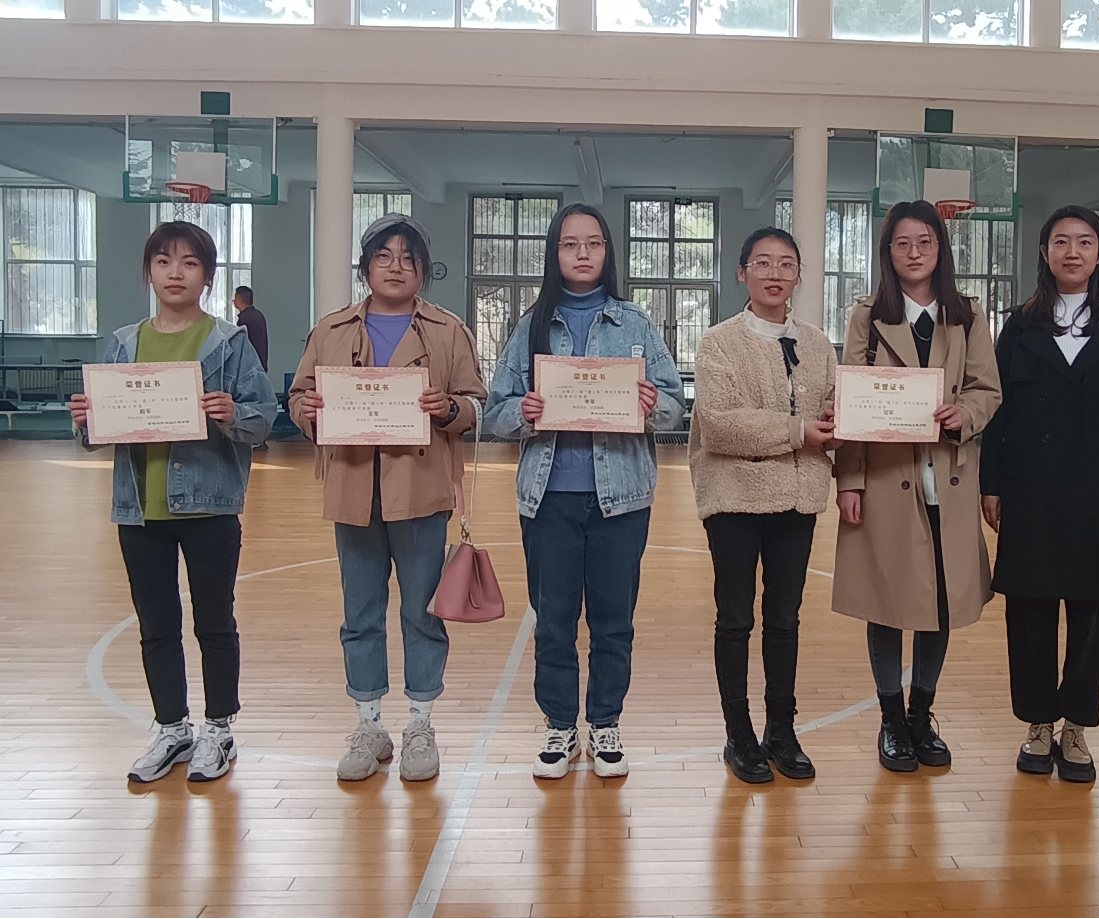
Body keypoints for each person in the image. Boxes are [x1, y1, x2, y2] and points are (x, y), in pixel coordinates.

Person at [69, 221, 276, 784]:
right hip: (139, 508)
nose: (175, 273)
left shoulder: (228, 342)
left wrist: (234, 414)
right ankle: (171, 727)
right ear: (149, 272)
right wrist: (86, 421)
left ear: (208, 276)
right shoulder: (123, 342)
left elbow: (263, 418)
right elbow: (98, 432)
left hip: (210, 505)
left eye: (189, 262)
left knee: (214, 623)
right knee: (155, 624)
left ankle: (219, 728)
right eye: (163, 262)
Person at [485, 203, 686, 780]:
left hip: (621, 497)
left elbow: (675, 407)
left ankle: (605, 723)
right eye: (570, 244)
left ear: (607, 252)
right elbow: (495, 412)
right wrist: (522, 413)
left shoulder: (635, 324)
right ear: (554, 252)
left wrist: (653, 405)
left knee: (613, 621)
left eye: (593, 243)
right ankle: (559, 726)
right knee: (553, 621)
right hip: (549, 497)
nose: (582, 253)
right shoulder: (530, 325)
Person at [289, 214, 486, 783]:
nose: (396, 266)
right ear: (366, 266)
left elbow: (477, 404)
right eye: (384, 255)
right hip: (353, 488)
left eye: (408, 257)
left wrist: (450, 409)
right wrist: (309, 412)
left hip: (421, 491)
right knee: (360, 613)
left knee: (423, 612)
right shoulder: (331, 330)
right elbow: (299, 396)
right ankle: (368, 724)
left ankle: (421, 724)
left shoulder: (448, 331)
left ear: (423, 269)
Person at [980, 204, 1099, 784]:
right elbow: (997, 412)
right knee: (1029, 612)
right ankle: (1038, 723)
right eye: (1061, 241)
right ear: (1045, 252)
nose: (1073, 252)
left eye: (1085, 242)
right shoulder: (1021, 326)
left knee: (1092, 614)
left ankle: (1077, 726)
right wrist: (991, 484)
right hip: (1030, 489)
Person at [834, 201, 1002, 773]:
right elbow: (851, 402)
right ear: (888, 252)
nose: (913, 252)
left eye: (924, 242)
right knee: (886, 601)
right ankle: (890, 720)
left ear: (940, 249)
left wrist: (966, 414)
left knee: (941, 601)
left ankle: (921, 714)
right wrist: (850, 480)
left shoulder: (968, 315)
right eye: (902, 243)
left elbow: (987, 388)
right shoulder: (868, 316)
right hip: (886, 480)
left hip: (950, 478)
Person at [688, 226, 837, 785]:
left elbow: (832, 410)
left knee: (784, 620)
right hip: (734, 499)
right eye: (763, 263)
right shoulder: (718, 342)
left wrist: (841, 420)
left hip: (798, 500)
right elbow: (721, 425)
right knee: (735, 619)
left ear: (798, 275)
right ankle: (739, 735)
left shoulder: (818, 344)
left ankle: (782, 731)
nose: (775, 274)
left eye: (787, 264)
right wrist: (799, 430)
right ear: (742, 273)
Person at [233, 286, 270, 451]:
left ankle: (254, 439)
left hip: (249, 368)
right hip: (261, 364)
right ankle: (260, 439)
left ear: (238, 299)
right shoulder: (258, 315)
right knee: (259, 401)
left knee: (250, 403)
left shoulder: (245, 319)